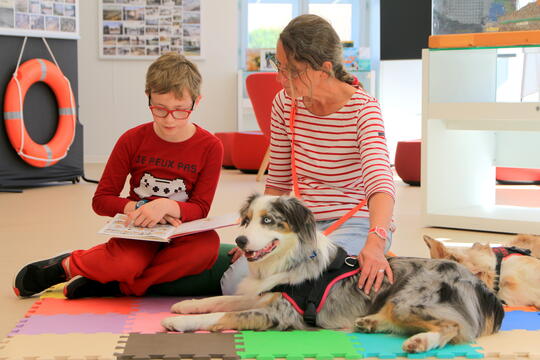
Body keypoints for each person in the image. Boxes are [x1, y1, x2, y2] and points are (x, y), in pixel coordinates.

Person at [14, 53, 224, 299]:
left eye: (180, 111)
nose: (169, 119)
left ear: (196, 102)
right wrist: (140, 206)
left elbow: (200, 207)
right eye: (159, 109)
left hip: (181, 232)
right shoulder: (131, 140)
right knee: (126, 264)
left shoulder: (211, 146)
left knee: (207, 247)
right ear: (148, 97)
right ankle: (67, 265)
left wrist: (167, 205)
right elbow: (101, 200)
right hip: (137, 231)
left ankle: (117, 286)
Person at [222, 14, 395, 296]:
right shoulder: (284, 103)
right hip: (299, 225)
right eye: (279, 66)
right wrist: (259, 235)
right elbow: (277, 180)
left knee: (313, 289)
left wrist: (376, 240)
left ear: (324, 69)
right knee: (235, 288)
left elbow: (380, 183)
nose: (280, 79)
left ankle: (380, 252)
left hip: (355, 220)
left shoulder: (364, 110)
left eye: (292, 71)